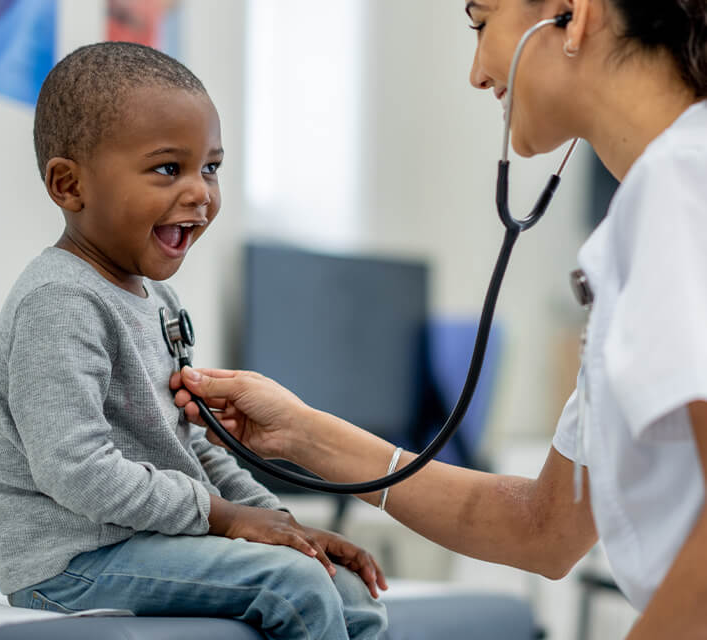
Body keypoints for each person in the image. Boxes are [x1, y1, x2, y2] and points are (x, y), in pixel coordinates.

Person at [173, 0, 707, 637]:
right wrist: (304, 434)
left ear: (573, 13)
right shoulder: (661, 197)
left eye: (482, 24)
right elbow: (545, 529)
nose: (477, 73)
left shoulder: (680, 185)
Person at [0, 42, 388, 640]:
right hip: (72, 566)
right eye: (169, 168)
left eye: (211, 168)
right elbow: (77, 471)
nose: (201, 192)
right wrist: (225, 518)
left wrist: (280, 523)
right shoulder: (59, 302)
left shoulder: (158, 301)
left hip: (154, 542)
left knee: (344, 587)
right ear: (69, 185)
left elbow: (195, 446)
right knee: (292, 585)